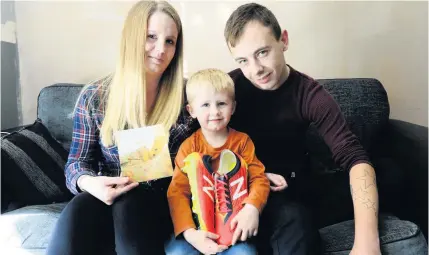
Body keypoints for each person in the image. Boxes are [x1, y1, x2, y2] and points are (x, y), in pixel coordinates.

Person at [223, 3, 381, 255]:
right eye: (243, 60)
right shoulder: (227, 90)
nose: (255, 69)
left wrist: (366, 245)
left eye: (262, 52)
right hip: (249, 189)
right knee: (294, 219)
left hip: (298, 185)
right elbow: (201, 146)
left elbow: (354, 156)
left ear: (283, 40)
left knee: (391, 175)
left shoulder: (309, 94)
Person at [46, 1, 192, 255]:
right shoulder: (95, 97)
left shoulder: (188, 98)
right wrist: (90, 183)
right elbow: (77, 163)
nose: (161, 50)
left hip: (165, 201)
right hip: (110, 197)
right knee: (79, 208)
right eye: (151, 37)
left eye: (170, 41)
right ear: (132, 38)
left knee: (129, 204)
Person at [165, 68, 270, 255]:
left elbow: (259, 179)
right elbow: (177, 193)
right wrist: (189, 233)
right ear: (192, 110)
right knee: (177, 253)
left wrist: (252, 208)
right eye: (205, 105)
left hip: (235, 230)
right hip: (197, 230)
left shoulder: (242, 142)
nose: (215, 111)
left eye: (221, 103)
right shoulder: (188, 147)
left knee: (246, 254)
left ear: (233, 107)